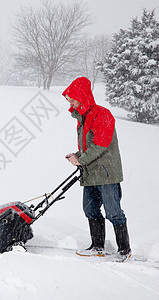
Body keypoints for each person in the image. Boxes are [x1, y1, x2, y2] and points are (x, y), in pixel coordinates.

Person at [62, 77, 131, 260]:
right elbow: (90, 146)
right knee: (90, 209)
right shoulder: (82, 118)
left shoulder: (102, 114)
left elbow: (101, 145)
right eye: (68, 100)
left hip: (107, 173)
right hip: (91, 172)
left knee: (113, 212)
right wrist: (77, 155)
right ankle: (97, 246)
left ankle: (124, 250)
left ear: (82, 96)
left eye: (72, 99)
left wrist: (80, 159)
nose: (70, 102)